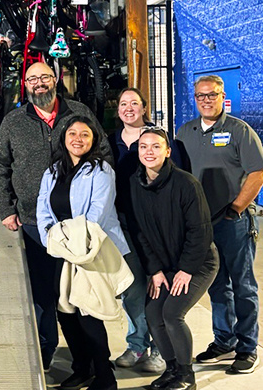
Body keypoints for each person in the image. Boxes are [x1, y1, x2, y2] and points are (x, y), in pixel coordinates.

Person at [0, 62, 111, 372]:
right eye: (33, 79)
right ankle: (44, 353)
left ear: (55, 80)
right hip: (33, 224)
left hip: (78, 228)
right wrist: (6, 209)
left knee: (78, 295)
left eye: (44, 77)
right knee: (44, 295)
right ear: (25, 85)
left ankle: (91, 360)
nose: (39, 84)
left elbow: (104, 151)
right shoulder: (14, 121)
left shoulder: (77, 112)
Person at [176, 75, 263, 374]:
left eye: (211, 95)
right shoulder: (185, 132)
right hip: (201, 224)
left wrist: (236, 208)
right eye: (200, 96)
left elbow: (258, 174)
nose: (206, 100)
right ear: (195, 98)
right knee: (217, 285)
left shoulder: (239, 130)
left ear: (222, 96)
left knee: (243, 286)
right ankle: (224, 340)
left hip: (234, 222)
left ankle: (247, 347)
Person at [36, 116, 129, 390]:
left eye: (85, 134)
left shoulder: (101, 172)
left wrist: (68, 242)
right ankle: (82, 368)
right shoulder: (53, 172)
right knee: (65, 311)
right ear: (64, 139)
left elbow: (95, 217)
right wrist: (52, 241)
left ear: (93, 140)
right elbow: (43, 210)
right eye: (72, 133)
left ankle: (104, 376)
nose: (78, 139)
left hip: (91, 252)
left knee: (88, 312)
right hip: (61, 252)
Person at [130, 128, 219, 390]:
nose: (149, 151)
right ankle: (171, 370)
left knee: (172, 313)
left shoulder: (186, 184)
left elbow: (200, 231)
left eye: (156, 147)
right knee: (152, 312)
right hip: (165, 265)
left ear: (168, 151)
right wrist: (155, 270)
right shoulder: (136, 184)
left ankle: (186, 375)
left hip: (198, 262)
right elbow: (139, 231)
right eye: (144, 147)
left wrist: (186, 269)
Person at [107, 88, 172, 373]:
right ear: (118, 110)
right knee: (131, 288)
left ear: (144, 108)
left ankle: (159, 349)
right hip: (123, 224)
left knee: (158, 286)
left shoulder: (158, 140)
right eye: (123, 103)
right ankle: (136, 344)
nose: (129, 108)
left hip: (156, 224)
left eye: (135, 103)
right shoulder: (109, 142)